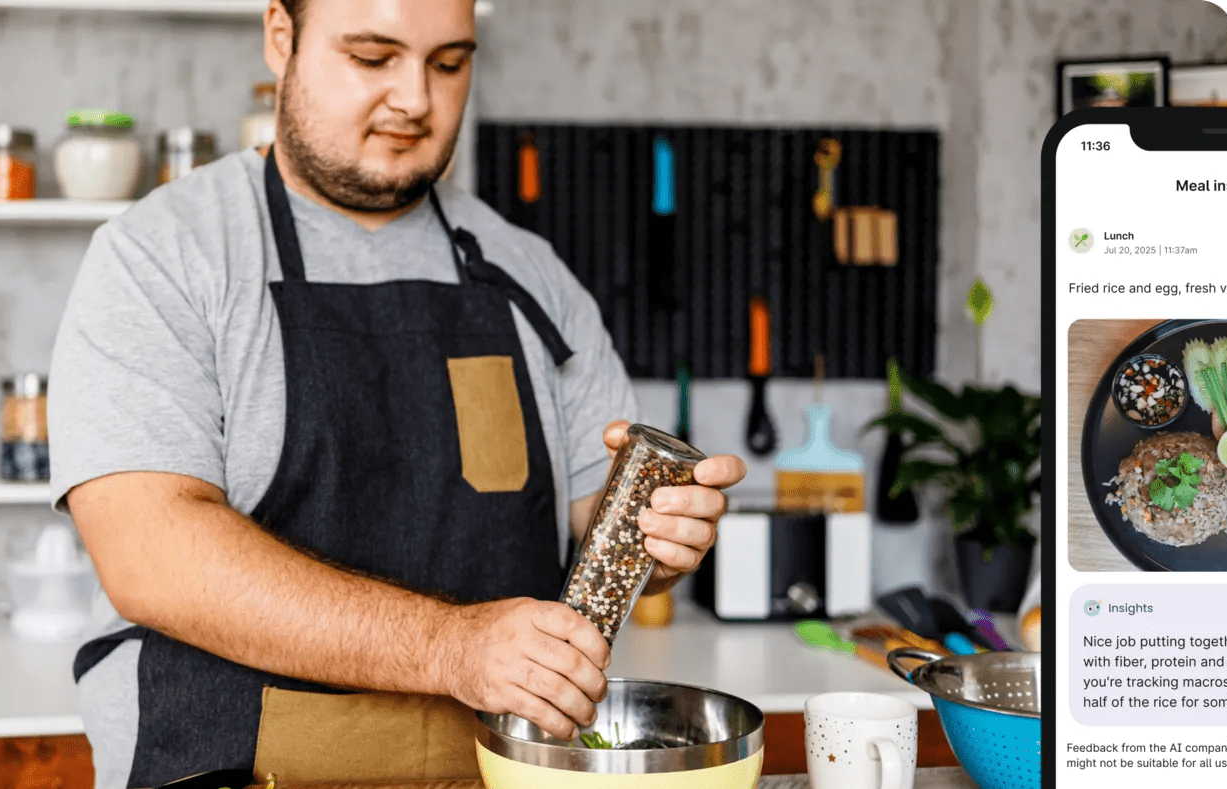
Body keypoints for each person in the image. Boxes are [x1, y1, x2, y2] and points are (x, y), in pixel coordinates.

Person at [47, 1, 746, 786]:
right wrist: (451, 646)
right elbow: (150, 554)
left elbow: (604, 532)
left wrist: (662, 537)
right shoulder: (165, 256)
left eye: (448, 63)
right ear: (281, 37)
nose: (415, 98)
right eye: (373, 57)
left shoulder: (529, 274)